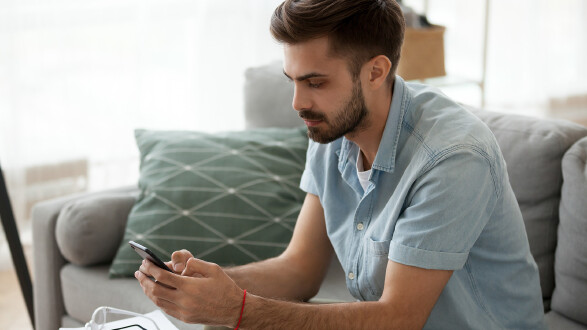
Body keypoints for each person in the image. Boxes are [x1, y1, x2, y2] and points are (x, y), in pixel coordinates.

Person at [135, 0, 547, 328]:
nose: (298, 103)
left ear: (376, 71)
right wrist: (209, 287)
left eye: (315, 82)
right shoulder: (332, 129)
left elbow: (396, 319)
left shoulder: (453, 159)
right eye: (292, 81)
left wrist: (236, 311)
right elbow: (300, 270)